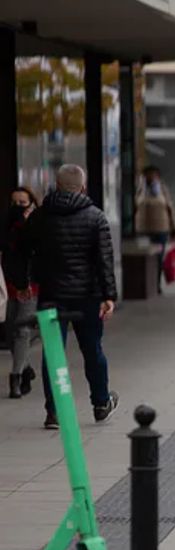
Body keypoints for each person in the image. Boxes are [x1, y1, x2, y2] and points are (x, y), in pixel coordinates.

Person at [11, 165, 119, 430]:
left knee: (53, 352)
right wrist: (109, 296)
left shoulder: (39, 217)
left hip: (51, 294)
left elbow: (20, 250)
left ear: (56, 186)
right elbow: (104, 260)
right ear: (82, 187)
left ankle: (54, 412)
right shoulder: (96, 217)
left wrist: (22, 283)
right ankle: (101, 403)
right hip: (88, 296)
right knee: (92, 349)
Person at [3, 188, 39, 399]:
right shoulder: (6, 225)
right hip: (8, 284)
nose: (18, 206)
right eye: (14, 202)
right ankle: (25, 368)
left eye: (22, 202)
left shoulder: (37, 224)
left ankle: (15, 377)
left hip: (30, 285)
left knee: (22, 330)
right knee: (9, 331)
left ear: (31, 203)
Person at [134, 166, 175, 294]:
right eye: (147, 175)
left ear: (158, 176)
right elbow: (134, 204)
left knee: (158, 259)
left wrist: (174, 227)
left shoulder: (162, 190)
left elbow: (170, 208)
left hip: (160, 229)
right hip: (143, 229)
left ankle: (157, 284)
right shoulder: (140, 189)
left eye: (153, 175)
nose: (150, 177)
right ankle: (143, 285)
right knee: (143, 259)